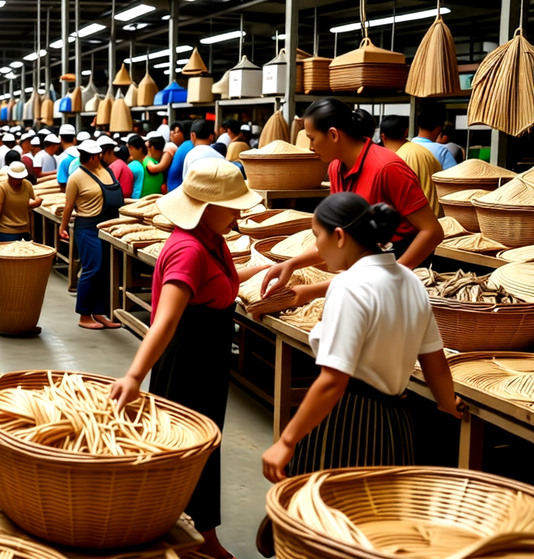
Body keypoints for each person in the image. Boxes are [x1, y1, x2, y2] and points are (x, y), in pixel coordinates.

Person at [110, 159, 270, 559]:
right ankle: (175, 534)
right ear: (207, 207)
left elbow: (221, 284)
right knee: (186, 448)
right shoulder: (188, 250)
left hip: (209, 356)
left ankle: (201, 533)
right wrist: (133, 375)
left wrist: (272, 269)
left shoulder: (211, 241)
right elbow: (165, 322)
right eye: (232, 205)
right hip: (187, 360)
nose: (239, 213)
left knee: (206, 446)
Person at [261, 193, 464, 483]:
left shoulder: (348, 286)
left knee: (331, 514)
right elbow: (434, 361)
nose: (316, 246)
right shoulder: (410, 281)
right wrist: (447, 402)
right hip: (396, 424)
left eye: (317, 236)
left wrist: (287, 441)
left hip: (346, 420)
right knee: (378, 516)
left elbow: (333, 380)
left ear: (340, 236)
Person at [259, 98, 444, 310]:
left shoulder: (387, 168)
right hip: (363, 265)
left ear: (333, 134)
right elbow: (336, 237)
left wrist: (395, 272)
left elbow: (432, 232)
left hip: (397, 263)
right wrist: (291, 264)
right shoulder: (336, 168)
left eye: (312, 138)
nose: (310, 147)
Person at [59, 139, 124, 330]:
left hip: (107, 226)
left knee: (105, 269)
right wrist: (62, 227)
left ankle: (99, 312)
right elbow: (69, 206)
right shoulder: (76, 177)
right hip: (87, 227)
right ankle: (84, 314)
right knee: (92, 268)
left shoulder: (106, 170)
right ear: (94, 156)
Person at [379, 115, 442, 216]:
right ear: (406, 132)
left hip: (419, 221)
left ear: (383, 136)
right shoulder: (421, 151)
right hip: (434, 219)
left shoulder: (398, 159)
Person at [0, 161, 43, 244]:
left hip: (24, 231)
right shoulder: (2, 188)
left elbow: (31, 204)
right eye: (15, 178)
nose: (17, 181)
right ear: (9, 175)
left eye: (20, 178)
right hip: (5, 232)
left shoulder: (27, 185)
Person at [166, 121, 194, 192]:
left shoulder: (186, 146)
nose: (172, 134)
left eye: (177, 132)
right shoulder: (185, 146)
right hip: (177, 191)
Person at [127, 135, 150, 200]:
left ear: (140, 149)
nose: (129, 151)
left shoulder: (146, 163)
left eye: (131, 148)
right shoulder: (134, 163)